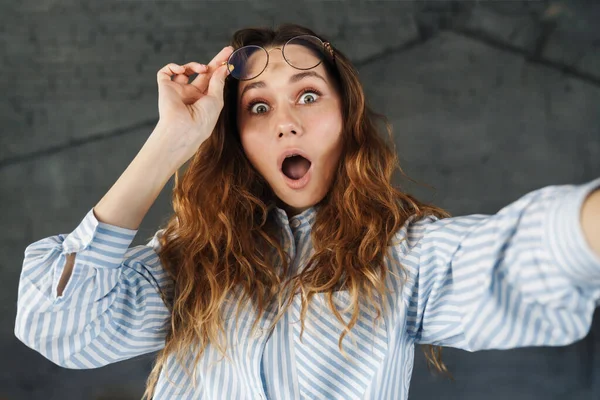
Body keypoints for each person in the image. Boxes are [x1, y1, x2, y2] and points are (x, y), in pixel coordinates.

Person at [14, 23, 600, 400]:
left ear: (347, 117)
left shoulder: (403, 255)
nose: (286, 120)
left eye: (309, 95)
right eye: (259, 106)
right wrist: (169, 142)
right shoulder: (189, 260)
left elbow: (517, 256)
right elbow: (59, 327)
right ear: (235, 135)